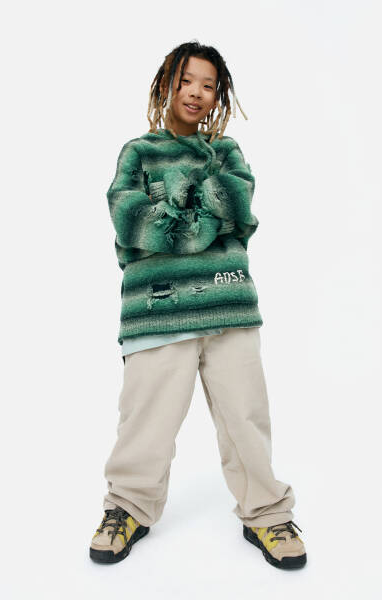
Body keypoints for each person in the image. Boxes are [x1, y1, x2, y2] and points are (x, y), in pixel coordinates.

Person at [89, 40, 307, 571]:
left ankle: (267, 513)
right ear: (166, 84)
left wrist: (172, 207)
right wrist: (201, 213)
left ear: (218, 96)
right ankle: (127, 508)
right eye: (186, 80)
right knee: (146, 420)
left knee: (246, 415)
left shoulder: (226, 152)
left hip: (228, 302)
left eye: (208, 85)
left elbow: (237, 206)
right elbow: (131, 221)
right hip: (156, 309)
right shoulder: (137, 153)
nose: (196, 93)